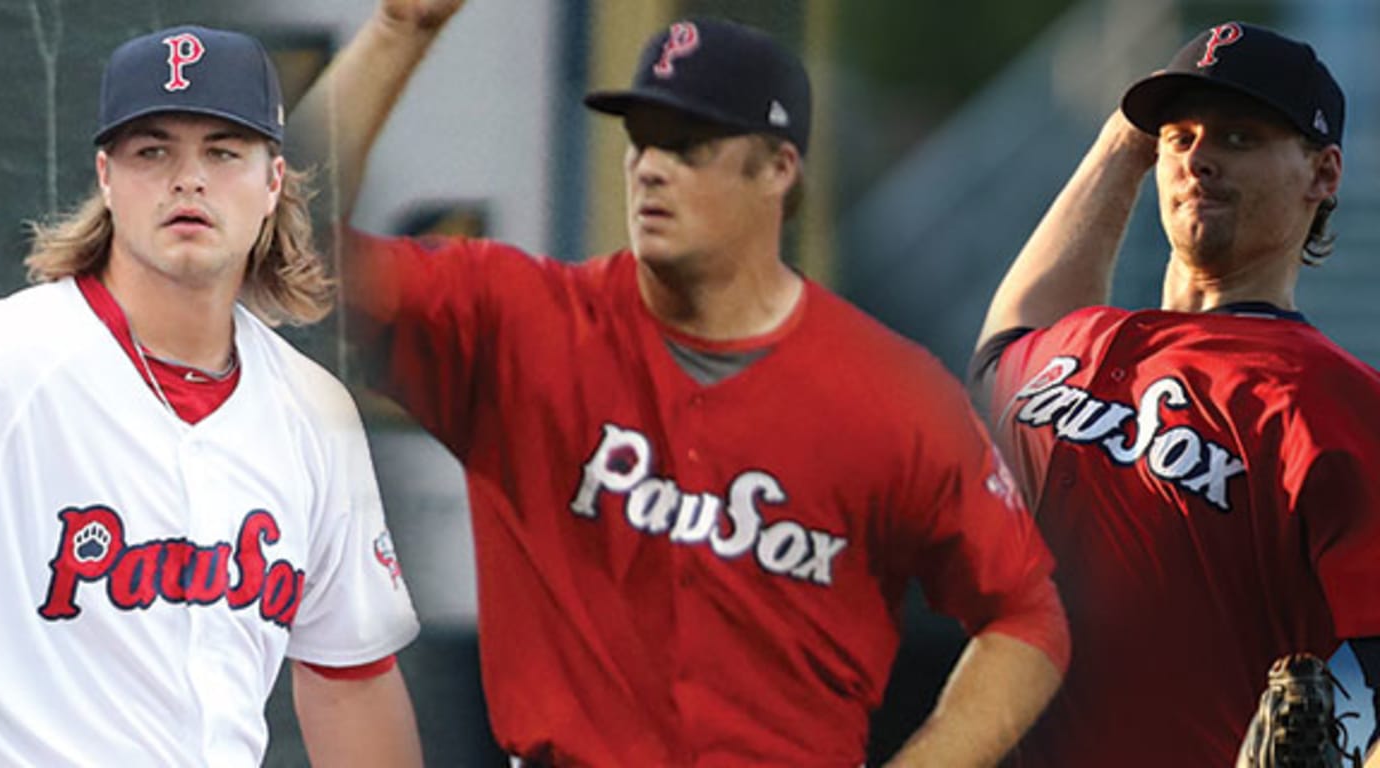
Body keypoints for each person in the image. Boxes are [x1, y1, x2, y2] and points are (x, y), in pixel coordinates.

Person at [292, 1, 1069, 764]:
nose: (652, 167)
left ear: (778, 170)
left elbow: (1027, 620)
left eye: (690, 144)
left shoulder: (894, 393)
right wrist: (400, 32)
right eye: (642, 141)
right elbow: (280, 245)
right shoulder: (518, 320)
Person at [0, 25, 422, 766]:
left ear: (274, 180)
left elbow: (351, 675)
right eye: (153, 151)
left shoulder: (314, 411)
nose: (189, 178)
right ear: (107, 177)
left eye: (223, 150)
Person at [971, 21, 1380, 766]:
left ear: (1324, 174)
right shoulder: (1079, 341)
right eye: (1179, 137)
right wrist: (1127, 138)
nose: (1199, 160)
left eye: (1238, 138)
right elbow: (1003, 347)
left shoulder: (1340, 405)